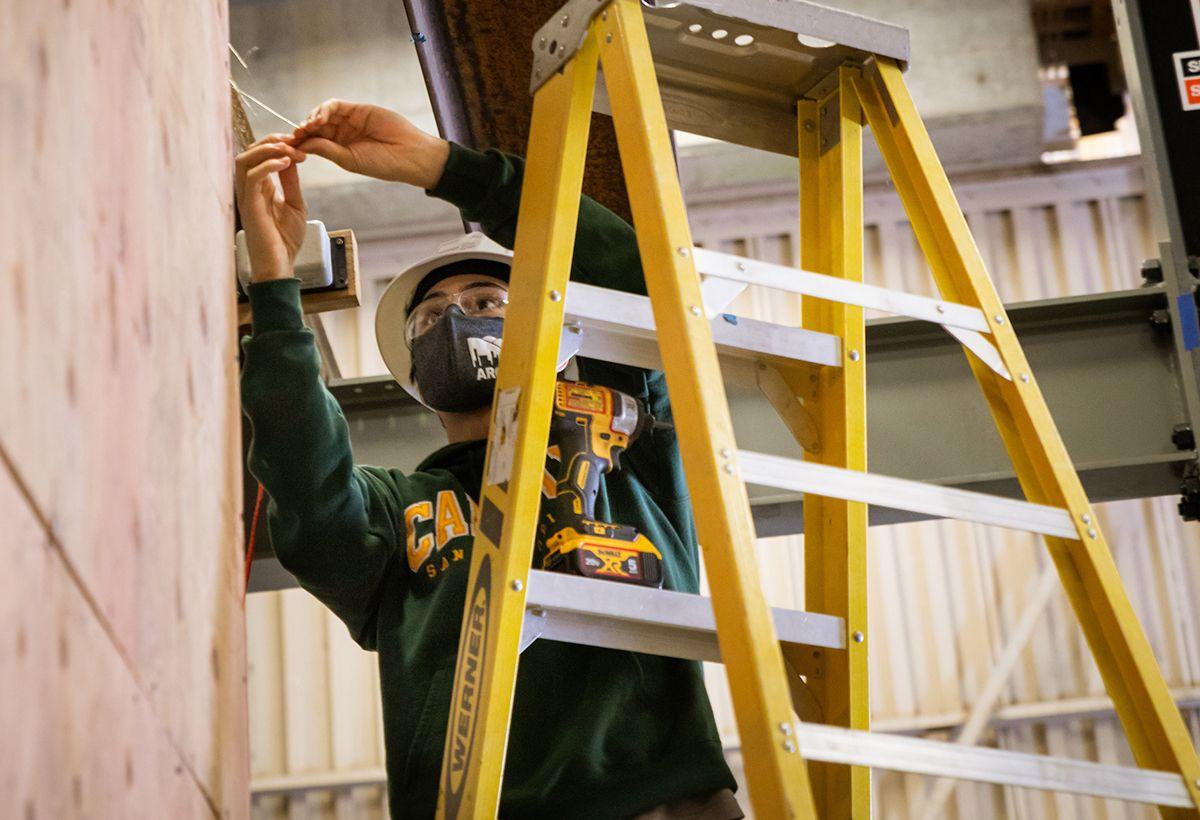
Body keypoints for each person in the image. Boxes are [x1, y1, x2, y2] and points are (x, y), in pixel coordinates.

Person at [236, 99, 742, 819]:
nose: (457, 317)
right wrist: (274, 286)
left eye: (486, 298)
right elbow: (304, 482)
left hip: (661, 804)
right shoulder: (396, 508)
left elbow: (635, 279)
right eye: (431, 316)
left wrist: (443, 168)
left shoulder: (623, 439)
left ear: (552, 330)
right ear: (416, 371)